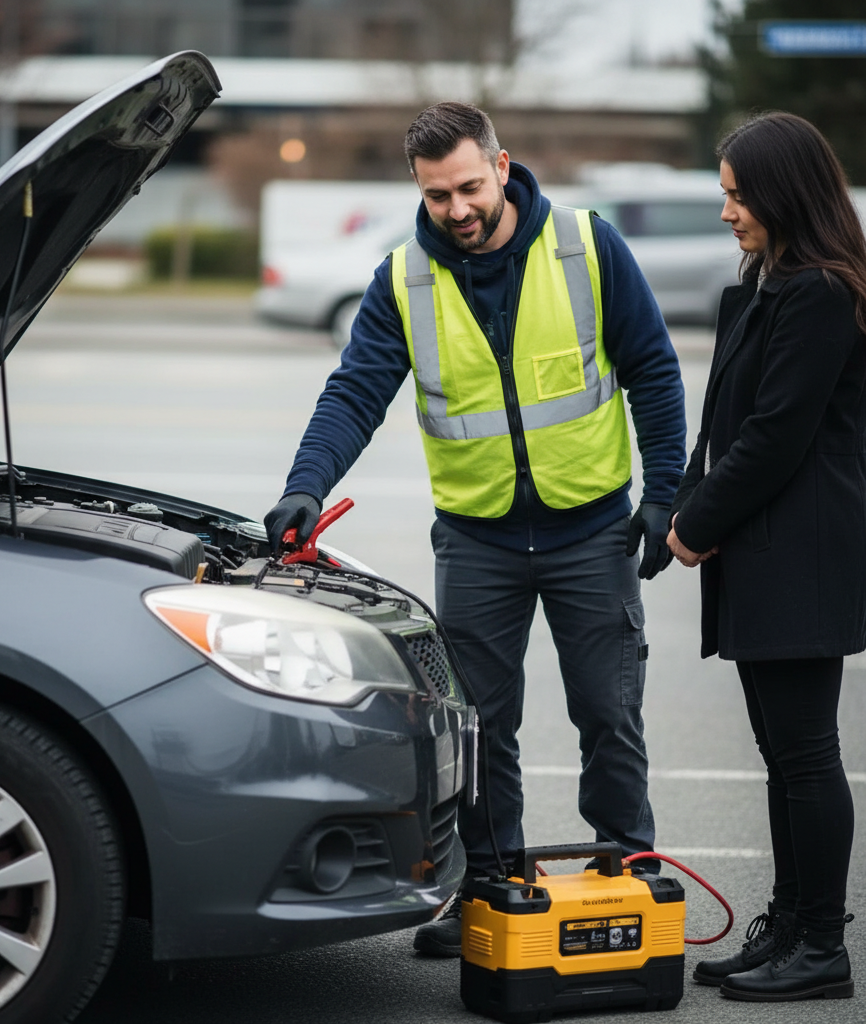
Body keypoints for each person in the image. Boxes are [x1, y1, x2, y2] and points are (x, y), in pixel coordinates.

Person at [264, 102, 686, 957]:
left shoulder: (585, 245)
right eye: (434, 195)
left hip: (591, 530)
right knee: (481, 726)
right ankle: (488, 886)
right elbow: (354, 393)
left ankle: (627, 867)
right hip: (478, 538)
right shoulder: (402, 279)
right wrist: (304, 487)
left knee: (609, 710)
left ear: (501, 166)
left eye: (466, 187)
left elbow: (653, 369)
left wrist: (664, 495)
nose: (455, 209)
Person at [667, 111, 863, 1002]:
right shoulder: (765, 285)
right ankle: (787, 925)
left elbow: (776, 437)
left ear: (784, 193)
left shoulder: (823, 291)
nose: (726, 212)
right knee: (784, 752)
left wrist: (694, 525)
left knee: (806, 752)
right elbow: (725, 425)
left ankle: (823, 945)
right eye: (724, 194)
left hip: (802, 553)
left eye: (738, 195)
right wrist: (684, 503)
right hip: (766, 549)